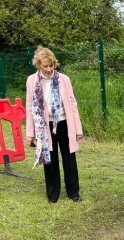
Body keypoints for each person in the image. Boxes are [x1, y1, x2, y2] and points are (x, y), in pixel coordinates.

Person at [25, 46, 83, 204]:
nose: (49, 69)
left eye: (51, 65)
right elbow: (30, 106)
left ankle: (73, 192)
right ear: (38, 64)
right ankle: (53, 194)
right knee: (50, 159)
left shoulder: (64, 79)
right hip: (45, 126)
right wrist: (30, 133)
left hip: (64, 123)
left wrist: (78, 129)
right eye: (45, 66)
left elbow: (72, 104)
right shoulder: (31, 81)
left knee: (69, 158)